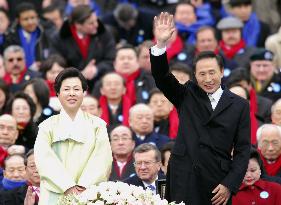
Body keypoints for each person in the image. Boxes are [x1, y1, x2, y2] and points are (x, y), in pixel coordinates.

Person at [150, 12, 251, 205]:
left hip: (217, 182)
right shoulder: (186, 94)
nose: (208, 79)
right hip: (183, 177)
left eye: (212, 72)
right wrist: (161, 45)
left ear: (222, 72)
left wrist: (230, 184)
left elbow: (243, 150)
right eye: (202, 74)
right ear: (195, 76)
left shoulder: (240, 105)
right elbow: (162, 77)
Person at [34, 67, 112, 205]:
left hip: (88, 193)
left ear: (84, 92)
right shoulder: (47, 126)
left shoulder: (98, 125)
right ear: (57, 94)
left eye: (76, 89)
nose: (71, 93)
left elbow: (102, 159)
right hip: (55, 193)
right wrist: (67, 185)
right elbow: (43, 159)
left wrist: (83, 186)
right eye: (66, 89)